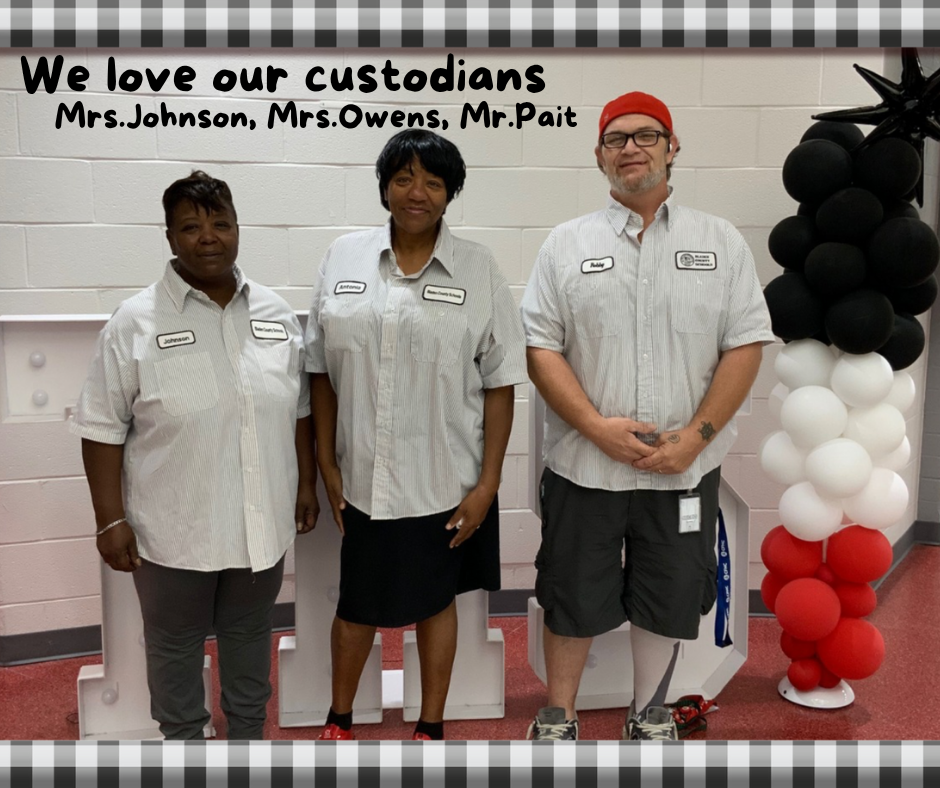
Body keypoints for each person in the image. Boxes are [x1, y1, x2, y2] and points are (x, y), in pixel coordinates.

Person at [521, 92, 774, 740]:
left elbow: (745, 345)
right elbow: (541, 348)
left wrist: (697, 438)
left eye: (646, 135)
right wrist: (595, 428)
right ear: (599, 155)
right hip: (585, 468)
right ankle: (559, 716)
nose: (631, 147)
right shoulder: (564, 245)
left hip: (682, 470)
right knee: (571, 591)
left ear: (671, 147)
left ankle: (649, 713)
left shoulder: (719, 242)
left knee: (670, 591)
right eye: (616, 138)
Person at [71, 171, 318, 740]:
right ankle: (183, 744)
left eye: (221, 224)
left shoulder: (276, 313)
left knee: (249, 636)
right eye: (190, 227)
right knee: (175, 645)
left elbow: (300, 409)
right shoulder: (135, 322)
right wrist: (109, 519)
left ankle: (247, 740)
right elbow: (101, 425)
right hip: (173, 530)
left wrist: (305, 484)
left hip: (260, 523)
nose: (209, 237)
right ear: (169, 237)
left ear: (238, 229)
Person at [305, 129, 526, 741]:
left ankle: (431, 724)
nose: (417, 192)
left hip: (444, 477)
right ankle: (339, 717)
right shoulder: (343, 257)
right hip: (363, 476)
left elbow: (501, 382)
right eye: (403, 178)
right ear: (384, 187)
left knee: (436, 602)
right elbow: (319, 368)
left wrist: (487, 484)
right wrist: (326, 463)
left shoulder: (478, 268)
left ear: (450, 192)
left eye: (433, 181)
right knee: (356, 605)